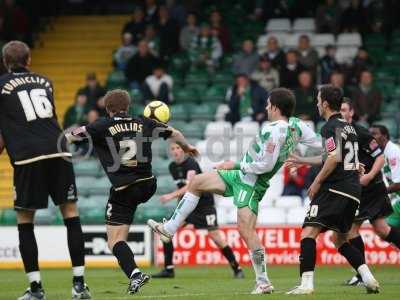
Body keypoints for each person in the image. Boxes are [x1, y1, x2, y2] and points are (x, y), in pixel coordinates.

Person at [148, 88, 321, 294]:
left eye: (268, 104)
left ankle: (263, 281)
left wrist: (235, 164)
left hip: (250, 182)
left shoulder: (273, 130)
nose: (266, 107)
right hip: (241, 177)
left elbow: (264, 165)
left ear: (275, 107)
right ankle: (170, 228)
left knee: (246, 231)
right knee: (197, 182)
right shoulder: (297, 126)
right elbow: (323, 144)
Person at [66, 89, 198, 294]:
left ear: (107, 108)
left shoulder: (101, 125)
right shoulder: (144, 122)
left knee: (115, 240)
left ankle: (135, 274)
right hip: (147, 184)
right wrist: (187, 147)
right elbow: (176, 134)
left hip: (124, 189)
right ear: (128, 107)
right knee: (122, 236)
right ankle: (135, 275)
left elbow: (72, 136)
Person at [0, 41, 90, 300]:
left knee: (25, 220)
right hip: (59, 149)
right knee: (70, 214)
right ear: (29, 60)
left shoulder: (1, 85)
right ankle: (79, 285)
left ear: (6, 62)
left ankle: (36, 289)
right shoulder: (46, 81)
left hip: (28, 157)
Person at [286, 85, 379, 295]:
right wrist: (302, 160)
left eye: (318, 100)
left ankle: (306, 285)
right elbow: (334, 156)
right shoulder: (348, 127)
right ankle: (368, 278)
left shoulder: (329, 127)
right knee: (339, 239)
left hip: (334, 189)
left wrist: (317, 181)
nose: (317, 103)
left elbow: (334, 157)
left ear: (325, 104)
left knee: (308, 232)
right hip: (353, 191)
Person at [152, 142, 244, 279]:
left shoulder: (191, 164)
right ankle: (168, 269)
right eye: (173, 148)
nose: (175, 151)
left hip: (204, 205)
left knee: (216, 237)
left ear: (184, 151)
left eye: (178, 148)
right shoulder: (172, 167)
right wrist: (179, 208)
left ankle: (237, 268)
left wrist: (171, 195)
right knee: (166, 231)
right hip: (188, 207)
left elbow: (191, 187)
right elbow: (183, 190)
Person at [339, 99, 400, 286]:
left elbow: (379, 157)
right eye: (339, 110)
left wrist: (369, 175)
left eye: (344, 110)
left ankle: (361, 276)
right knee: (382, 230)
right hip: (362, 188)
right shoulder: (338, 132)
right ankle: (362, 275)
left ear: (352, 112)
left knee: (349, 231)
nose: (341, 113)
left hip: (370, 189)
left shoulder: (360, 132)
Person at [370, 125, 400, 230]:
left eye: (374, 133)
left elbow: (398, 184)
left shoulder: (393, 152)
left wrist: (377, 192)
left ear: (384, 136)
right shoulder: (380, 154)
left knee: (386, 228)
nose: (371, 137)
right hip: (396, 197)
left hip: (398, 197)